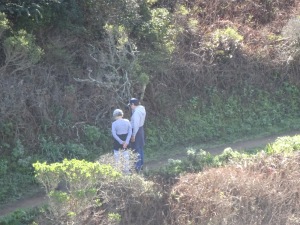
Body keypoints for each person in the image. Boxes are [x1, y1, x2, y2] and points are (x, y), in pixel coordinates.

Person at [111, 109, 132, 173]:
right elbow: (130, 132)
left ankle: (118, 171)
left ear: (115, 115)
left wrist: (120, 141)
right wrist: (127, 141)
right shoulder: (127, 121)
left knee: (117, 155)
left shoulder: (114, 123)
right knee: (126, 155)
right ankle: (127, 171)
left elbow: (114, 134)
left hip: (118, 140)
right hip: (126, 138)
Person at [128, 98, 146, 172]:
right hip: (141, 129)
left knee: (136, 149)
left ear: (133, 104)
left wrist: (133, 135)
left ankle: (137, 167)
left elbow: (135, 125)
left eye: (130, 105)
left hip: (136, 131)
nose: (130, 107)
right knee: (140, 148)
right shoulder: (142, 109)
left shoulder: (136, 113)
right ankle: (141, 165)